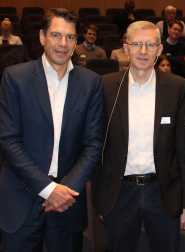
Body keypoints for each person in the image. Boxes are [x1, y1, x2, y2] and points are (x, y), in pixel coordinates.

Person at [0, 8, 103, 252]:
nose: (63, 43)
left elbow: (93, 143)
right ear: (42, 37)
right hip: (20, 201)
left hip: (67, 202)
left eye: (70, 37)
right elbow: (8, 140)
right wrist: (48, 190)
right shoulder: (15, 78)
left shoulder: (91, 83)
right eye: (56, 35)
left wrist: (63, 192)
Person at [93, 20, 185, 252]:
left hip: (162, 193)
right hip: (119, 194)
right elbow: (95, 145)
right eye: (137, 44)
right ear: (126, 48)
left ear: (160, 50)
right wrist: (100, 199)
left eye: (151, 45)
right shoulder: (106, 86)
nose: (144, 51)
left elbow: (184, 150)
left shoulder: (176, 87)